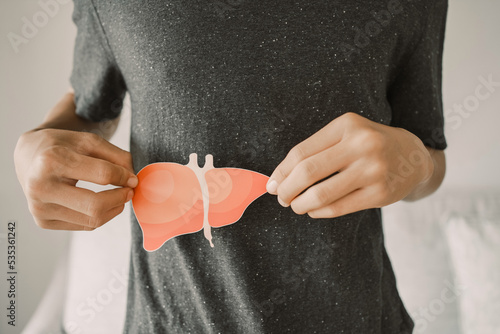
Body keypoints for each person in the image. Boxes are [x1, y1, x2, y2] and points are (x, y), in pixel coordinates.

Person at [14, 0, 448, 332]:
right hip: (171, 320)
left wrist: (416, 166)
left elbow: (428, 155)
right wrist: (33, 149)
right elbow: (91, 110)